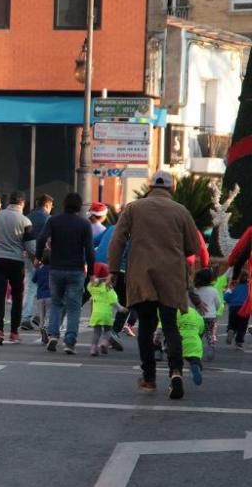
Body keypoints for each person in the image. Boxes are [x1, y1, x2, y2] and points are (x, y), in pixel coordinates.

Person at [108, 170, 201, 400]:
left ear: (149, 186)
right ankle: (176, 372)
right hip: (171, 276)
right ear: (172, 188)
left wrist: (113, 270)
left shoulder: (133, 208)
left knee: (146, 327)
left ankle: (149, 378)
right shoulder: (181, 211)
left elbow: (117, 240)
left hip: (142, 275)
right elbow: (193, 246)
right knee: (170, 325)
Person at [35, 192, 95, 355]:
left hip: (56, 268)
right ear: (79, 206)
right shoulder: (84, 224)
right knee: (74, 307)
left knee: (56, 303)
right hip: (76, 270)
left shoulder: (53, 221)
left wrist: (39, 257)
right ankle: (70, 341)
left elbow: (41, 239)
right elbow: (89, 250)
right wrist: (92, 272)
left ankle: (54, 335)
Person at [0, 191, 34, 345]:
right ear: (22, 203)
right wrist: (35, 259)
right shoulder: (25, 221)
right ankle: (13, 331)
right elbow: (31, 247)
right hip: (16, 261)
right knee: (17, 296)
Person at [20, 193, 53, 331]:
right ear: (47, 205)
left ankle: (26, 317)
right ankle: (40, 316)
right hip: (44, 255)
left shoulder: (27, 217)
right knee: (47, 286)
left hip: (27, 253)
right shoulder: (48, 218)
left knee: (30, 285)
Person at [86, 263, 119, 356]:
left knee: (96, 332)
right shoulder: (108, 288)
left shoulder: (91, 287)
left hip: (95, 314)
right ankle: (104, 343)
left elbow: (91, 284)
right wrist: (121, 308)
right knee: (108, 330)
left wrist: (96, 279)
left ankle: (93, 348)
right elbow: (114, 301)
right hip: (106, 314)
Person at [179, 291, 205, 386]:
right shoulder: (194, 312)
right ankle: (195, 366)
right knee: (194, 358)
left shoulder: (176, 311)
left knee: (176, 359)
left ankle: (176, 376)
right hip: (194, 340)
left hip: (180, 339)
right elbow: (202, 327)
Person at [194, 268, 220, 361]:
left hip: (198, 316)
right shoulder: (213, 290)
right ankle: (211, 348)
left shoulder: (196, 290)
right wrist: (215, 310)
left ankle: (196, 352)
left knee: (197, 335)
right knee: (210, 334)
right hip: (211, 316)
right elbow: (217, 303)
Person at [224, 272, 249, 350]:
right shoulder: (249, 287)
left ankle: (231, 330)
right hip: (245, 308)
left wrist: (230, 301)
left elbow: (226, 297)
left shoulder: (234, 286)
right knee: (242, 326)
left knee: (232, 322)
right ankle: (239, 342)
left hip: (233, 307)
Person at [32, 252, 51, 344]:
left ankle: (42, 333)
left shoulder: (39, 270)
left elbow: (33, 280)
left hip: (40, 296)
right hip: (50, 295)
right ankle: (46, 328)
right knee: (49, 314)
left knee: (41, 316)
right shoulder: (52, 270)